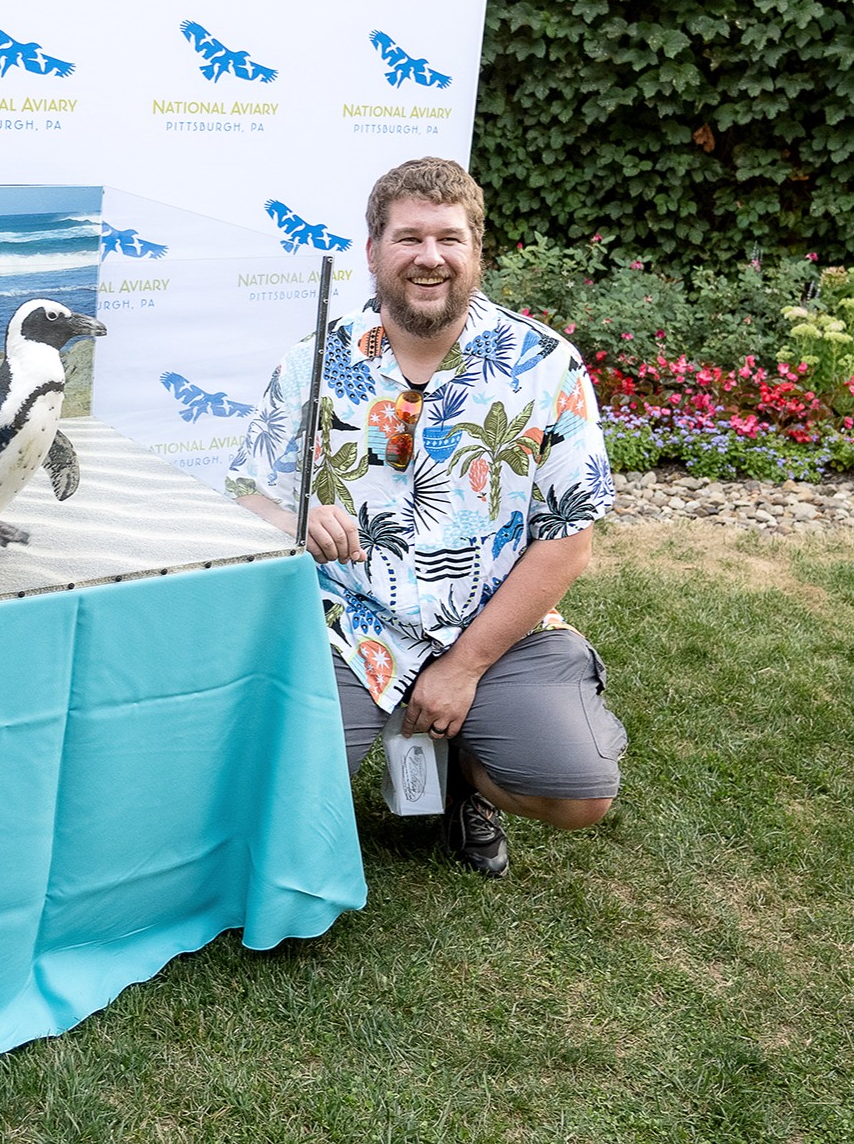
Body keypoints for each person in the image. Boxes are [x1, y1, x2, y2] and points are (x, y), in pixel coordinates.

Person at [226, 156, 624, 878]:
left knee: (578, 794)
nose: (429, 258)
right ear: (373, 251)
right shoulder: (312, 364)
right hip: (345, 626)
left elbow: (567, 541)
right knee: (262, 788)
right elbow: (245, 494)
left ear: (477, 252)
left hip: (492, 627)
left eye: (449, 238)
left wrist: (463, 667)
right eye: (408, 238)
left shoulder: (545, 368)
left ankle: (465, 778)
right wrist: (295, 519)